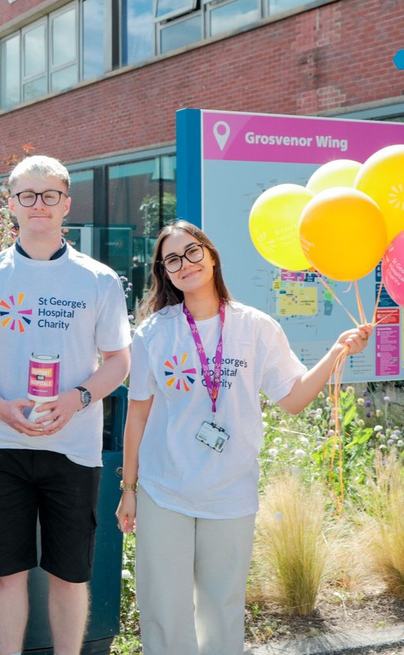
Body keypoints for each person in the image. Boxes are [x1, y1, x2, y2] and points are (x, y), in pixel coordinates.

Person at [116, 220, 372, 655]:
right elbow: (137, 415)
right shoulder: (154, 332)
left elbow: (291, 399)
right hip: (165, 490)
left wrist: (336, 352)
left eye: (192, 251)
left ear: (212, 255)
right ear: (165, 273)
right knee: (164, 611)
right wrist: (129, 489)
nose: (185, 264)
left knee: (222, 611)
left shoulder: (255, 326)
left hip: (230, 491)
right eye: (172, 260)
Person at [0, 155, 132, 655]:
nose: (38, 205)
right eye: (26, 195)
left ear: (66, 204)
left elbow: (119, 362)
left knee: (69, 576)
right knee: (6, 575)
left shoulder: (97, 280)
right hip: (2, 444)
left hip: (74, 447)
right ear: (10, 203)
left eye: (49, 195)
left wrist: (77, 400)